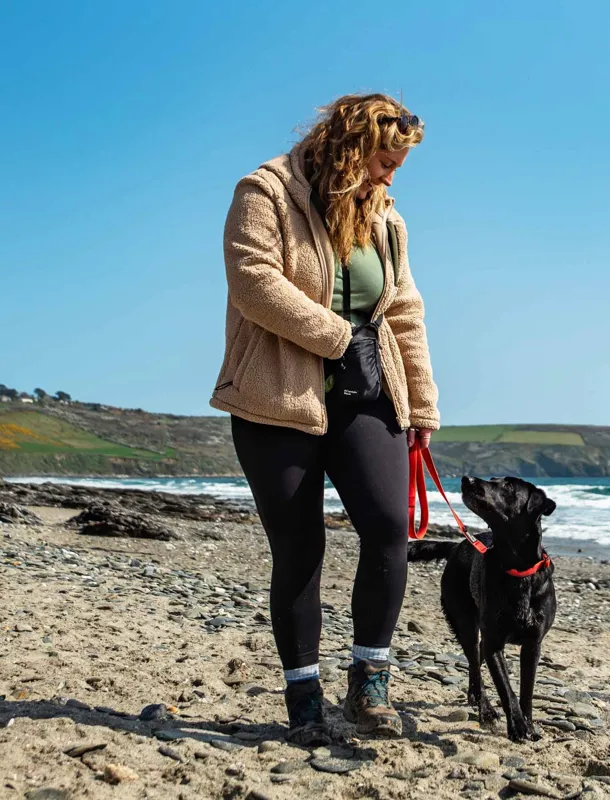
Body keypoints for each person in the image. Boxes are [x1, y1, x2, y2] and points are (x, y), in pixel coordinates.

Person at [209, 93, 439, 744]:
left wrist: (422, 404)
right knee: (300, 546)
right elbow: (254, 282)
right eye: (384, 162)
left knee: (389, 527)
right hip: (275, 397)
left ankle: (369, 685)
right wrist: (340, 338)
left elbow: (404, 310)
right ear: (351, 150)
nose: (390, 177)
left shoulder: (387, 217)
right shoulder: (264, 191)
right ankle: (304, 696)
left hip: (369, 391)